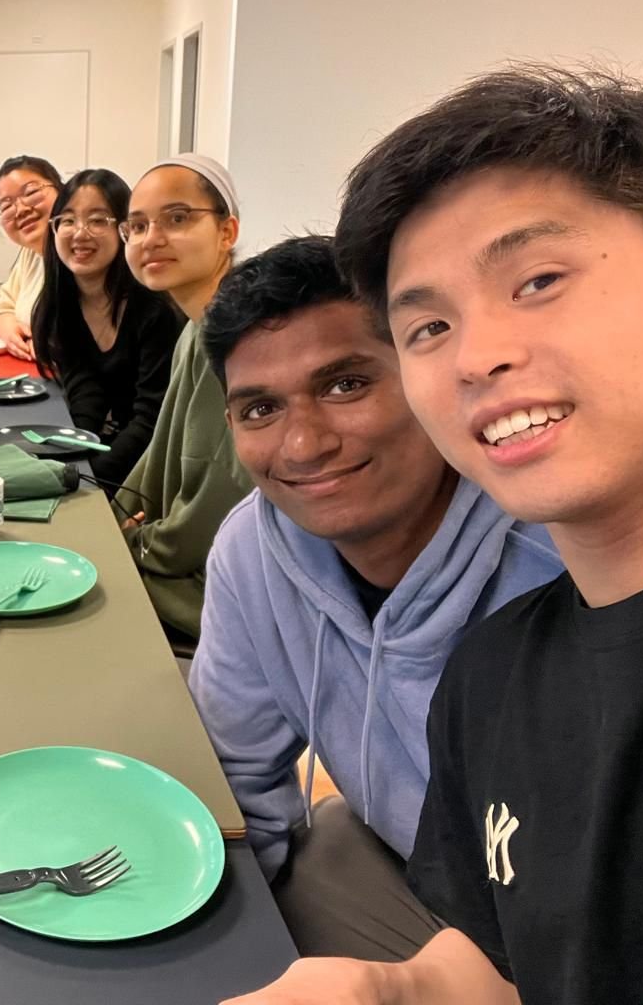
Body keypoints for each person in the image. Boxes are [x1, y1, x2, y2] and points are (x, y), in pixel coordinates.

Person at [229, 67, 643, 1005]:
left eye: (539, 280)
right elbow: (497, 962)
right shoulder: (498, 676)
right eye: (431, 325)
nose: (479, 355)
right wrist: (390, 994)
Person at [193, 235, 562, 963]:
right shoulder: (252, 553)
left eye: (345, 385)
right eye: (260, 409)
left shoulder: (566, 563)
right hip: (414, 875)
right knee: (321, 844)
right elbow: (236, 782)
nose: (303, 445)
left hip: (572, 944)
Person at [113, 154, 253, 640]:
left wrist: (141, 543)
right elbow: (162, 447)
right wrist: (116, 515)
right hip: (185, 548)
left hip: (224, 578)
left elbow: (228, 490)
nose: (151, 239)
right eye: (136, 226)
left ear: (227, 231)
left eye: (177, 219)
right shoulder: (197, 328)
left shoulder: (242, 334)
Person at [31, 169, 182, 489]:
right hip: (112, 453)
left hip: (155, 467)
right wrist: (69, 457)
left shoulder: (155, 310)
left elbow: (152, 421)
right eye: (68, 220)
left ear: (126, 230)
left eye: (98, 220)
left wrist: (88, 479)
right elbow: (86, 393)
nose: (80, 233)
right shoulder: (62, 306)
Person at [0, 154, 63, 360]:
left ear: (61, 190)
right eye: (6, 206)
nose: (21, 210)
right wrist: (10, 330)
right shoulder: (30, 253)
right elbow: (4, 306)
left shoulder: (77, 254)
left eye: (31, 193)